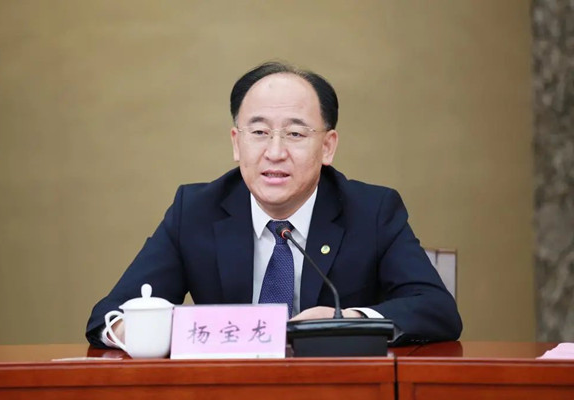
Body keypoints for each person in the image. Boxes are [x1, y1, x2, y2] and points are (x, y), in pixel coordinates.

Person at [86, 62, 462, 348]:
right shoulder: (196, 210)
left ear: (327, 146)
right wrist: (159, 333)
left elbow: (437, 308)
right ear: (237, 143)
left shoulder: (372, 210)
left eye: (295, 133)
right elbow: (108, 316)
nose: (275, 152)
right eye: (259, 132)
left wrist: (346, 321)